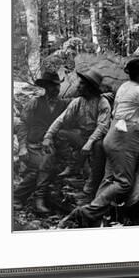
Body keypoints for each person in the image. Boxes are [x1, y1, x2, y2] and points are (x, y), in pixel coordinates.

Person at [62, 58, 139, 228]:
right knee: (123, 183)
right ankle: (86, 212)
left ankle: (91, 218)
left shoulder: (126, 87)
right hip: (123, 140)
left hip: (115, 137)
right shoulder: (137, 91)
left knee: (108, 179)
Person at [42, 68, 111, 197]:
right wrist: (48, 136)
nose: (78, 86)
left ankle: (92, 184)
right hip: (82, 136)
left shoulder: (103, 103)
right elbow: (61, 120)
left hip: (98, 138)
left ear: (90, 87)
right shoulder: (78, 101)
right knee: (61, 133)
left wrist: (90, 142)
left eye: (82, 84)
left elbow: (102, 127)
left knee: (99, 146)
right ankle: (72, 165)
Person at [14, 71, 68, 213]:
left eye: (57, 85)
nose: (56, 89)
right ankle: (26, 199)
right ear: (45, 86)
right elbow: (22, 125)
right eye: (52, 85)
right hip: (32, 146)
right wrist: (22, 147)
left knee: (44, 164)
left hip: (50, 146)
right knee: (40, 167)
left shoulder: (63, 104)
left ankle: (24, 198)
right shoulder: (35, 103)